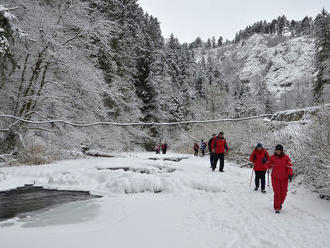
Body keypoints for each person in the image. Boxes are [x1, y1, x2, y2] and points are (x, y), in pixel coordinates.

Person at [265, 144, 293, 214]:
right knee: (277, 192)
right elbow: (269, 166)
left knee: (283, 193)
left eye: (279, 150)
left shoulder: (286, 157)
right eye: (276, 150)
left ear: (281, 151)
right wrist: (265, 162)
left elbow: (289, 166)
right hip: (275, 178)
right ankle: (277, 207)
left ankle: (280, 203)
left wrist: (290, 174)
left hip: (284, 178)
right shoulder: (273, 157)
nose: (277, 151)